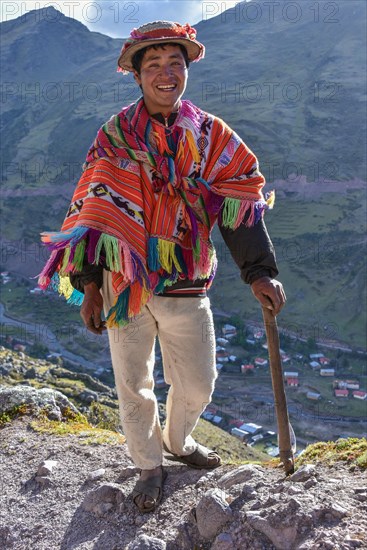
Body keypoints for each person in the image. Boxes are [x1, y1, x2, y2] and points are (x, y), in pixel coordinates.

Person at [38, 21, 286, 513]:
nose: (166, 73)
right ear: (136, 74)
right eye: (153, 64)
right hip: (122, 284)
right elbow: (93, 211)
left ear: (187, 69)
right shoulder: (113, 136)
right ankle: (149, 465)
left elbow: (238, 206)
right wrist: (89, 286)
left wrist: (259, 271)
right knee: (133, 383)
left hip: (187, 282)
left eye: (176, 63)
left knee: (198, 383)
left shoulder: (213, 136)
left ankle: (178, 440)